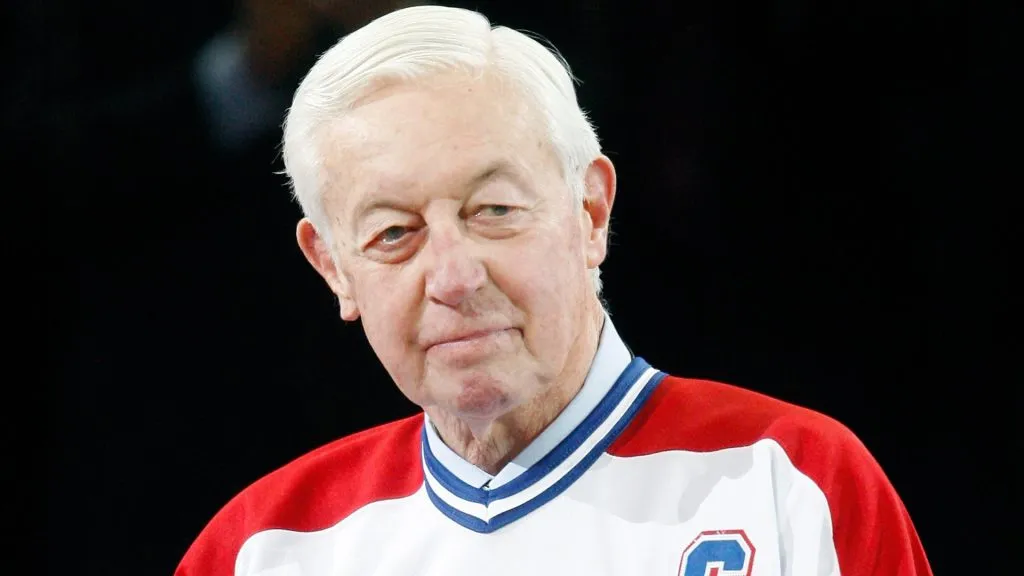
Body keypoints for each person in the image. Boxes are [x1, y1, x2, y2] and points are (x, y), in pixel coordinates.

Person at [175, 5, 933, 575]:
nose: (454, 279)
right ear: (335, 269)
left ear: (591, 212)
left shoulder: (789, 482)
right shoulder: (263, 548)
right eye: (395, 233)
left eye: (494, 211)